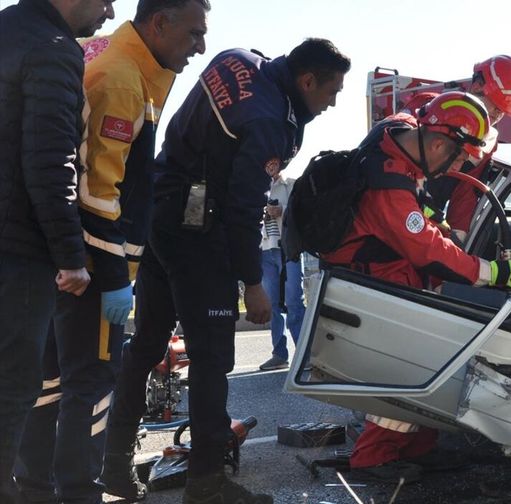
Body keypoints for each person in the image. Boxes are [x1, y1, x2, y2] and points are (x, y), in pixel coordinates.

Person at [101, 38, 350, 503]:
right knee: (212, 357)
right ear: (307, 80)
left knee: (147, 345)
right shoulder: (269, 120)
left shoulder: (238, 59)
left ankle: (113, 465)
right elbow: (243, 206)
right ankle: (207, 483)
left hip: (160, 214)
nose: (332, 103)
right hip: (199, 234)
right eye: (331, 91)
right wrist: (253, 282)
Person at [12, 1, 209, 502]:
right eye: (194, 33)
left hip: (60, 252)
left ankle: (35, 488)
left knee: (49, 381)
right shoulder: (123, 78)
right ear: (159, 23)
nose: (200, 46)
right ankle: (80, 490)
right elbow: (98, 190)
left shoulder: (107, 55)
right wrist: (115, 275)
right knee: (92, 382)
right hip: (93, 261)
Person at [321, 91, 511, 483]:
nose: (458, 168)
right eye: (460, 158)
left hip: (388, 270)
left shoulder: (400, 134)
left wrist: (429, 214)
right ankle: (373, 458)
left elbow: (418, 220)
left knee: (425, 361)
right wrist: (492, 272)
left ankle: (417, 448)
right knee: (407, 367)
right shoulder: (388, 190)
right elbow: (429, 251)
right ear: (438, 145)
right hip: (382, 278)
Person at [0, 0, 117, 499]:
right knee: (11, 390)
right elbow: (51, 163)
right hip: (18, 252)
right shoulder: (52, 49)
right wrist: (71, 257)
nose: (109, 13)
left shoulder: (8, 29)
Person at [427, 55, 511, 241]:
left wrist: (457, 242)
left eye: (504, 110)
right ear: (476, 87)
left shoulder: (486, 144)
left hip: (425, 228)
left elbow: (465, 197)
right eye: (497, 105)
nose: (498, 114)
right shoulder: (430, 109)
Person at [258, 173, 306, 371]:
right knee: (272, 305)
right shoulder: (254, 185)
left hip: (288, 249)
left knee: (294, 301)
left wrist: (282, 211)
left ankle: (305, 356)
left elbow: (303, 211)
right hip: (264, 249)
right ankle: (279, 354)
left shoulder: (291, 185)